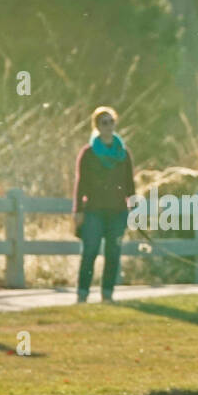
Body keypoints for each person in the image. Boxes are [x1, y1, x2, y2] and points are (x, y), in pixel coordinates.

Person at [73, 106, 135, 303]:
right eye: (104, 123)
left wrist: (133, 207)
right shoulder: (88, 153)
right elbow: (81, 183)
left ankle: (107, 294)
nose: (108, 126)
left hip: (117, 211)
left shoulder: (123, 153)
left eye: (111, 122)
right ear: (97, 126)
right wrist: (78, 210)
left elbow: (129, 183)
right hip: (94, 211)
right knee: (90, 252)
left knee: (113, 254)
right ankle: (82, 293)